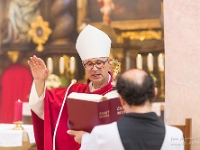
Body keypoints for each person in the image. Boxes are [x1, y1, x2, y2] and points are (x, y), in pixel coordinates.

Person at [27, 24, 114, 150]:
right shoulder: (73, 93)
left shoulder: (121, 93)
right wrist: (39, 81)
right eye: (89, 64)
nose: (94, 68)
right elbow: (42, 106)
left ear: (109, 63)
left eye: (99, 62)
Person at [67, 69, 184, 150]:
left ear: (121, 99)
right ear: (155, 93)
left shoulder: (102, 135)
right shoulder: (175, 136)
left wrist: (85, 139)